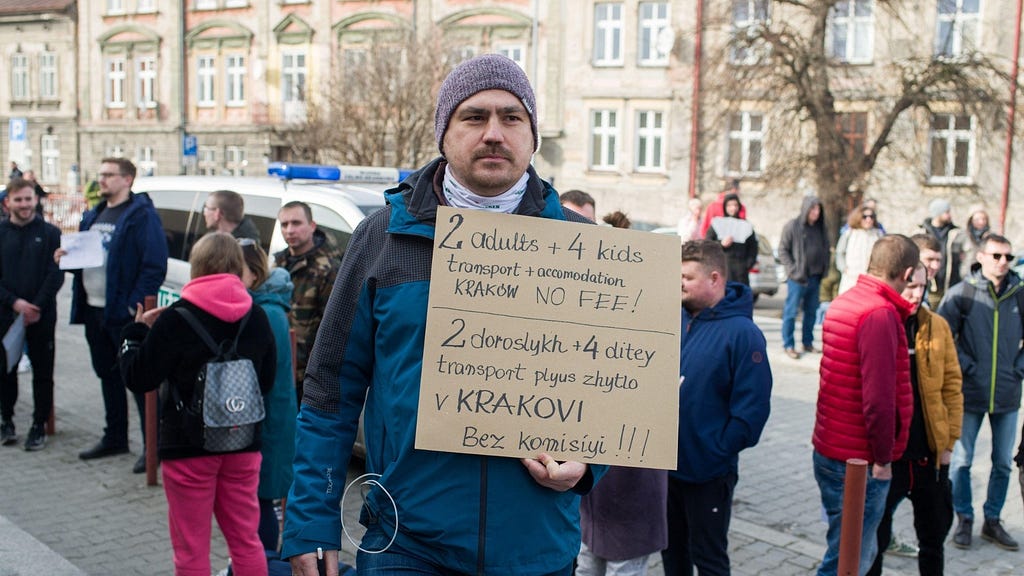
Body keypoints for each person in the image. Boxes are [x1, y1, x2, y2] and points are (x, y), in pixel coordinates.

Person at [282, 53, 606, 576]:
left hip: (536, 546)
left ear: (532, 134)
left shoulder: (582, 245)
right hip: (407, 546)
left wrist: (590, 464)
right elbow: (329, 390)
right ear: (445, 133)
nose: (494, 133)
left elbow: (613, 392)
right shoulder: (383, 237)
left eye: (511, 117)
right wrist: (309, 520)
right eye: (474, 117)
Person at [118, 232, 275, 576]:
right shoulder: (258, 316)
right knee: (246, 541)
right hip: (243, 443)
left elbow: (139, 377)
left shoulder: (177, 318)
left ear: (196, 267)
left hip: (187, 446)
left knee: (191, 547)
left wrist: (135, 334)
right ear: (238, 266)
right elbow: (266, 383)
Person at [663, 239, 772, 575]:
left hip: (709, 474)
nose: (679, 283)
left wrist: (717, 451)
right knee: (672, 554)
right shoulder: (674, 319)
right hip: (666, 471)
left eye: (687, 277)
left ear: (714, 279)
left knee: (709, 557)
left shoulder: (744, 334)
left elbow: (752, 411)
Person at [813, 234, 920, 576]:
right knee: (849, 559)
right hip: (858, 460)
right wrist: (884, 459)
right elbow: (878, 400)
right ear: (906, 274)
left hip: (831, 448)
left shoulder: (846, 301)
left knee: (846, 546)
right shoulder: (878, 314)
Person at [57, 158, 168, 472]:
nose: (101, 180)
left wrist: (133, 306)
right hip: (94, 308)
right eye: (100, 174)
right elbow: (85, 255)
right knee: (107, 374)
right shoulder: (95, 214)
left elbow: (153, 265)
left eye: (108, 175)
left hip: (125, 313)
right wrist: (65, 256)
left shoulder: (141, 216)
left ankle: (153, 447)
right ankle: (115, 436)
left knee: (137, 380)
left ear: (127, 179)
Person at [866, 263, 963, 576]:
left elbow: (952, 386)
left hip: (927, 456)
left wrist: (948, 444)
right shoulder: (879, 321)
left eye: (923, 287)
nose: (917, 293)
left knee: (933, 540)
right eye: (911, 286)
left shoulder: (937, 326)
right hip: (887, 459)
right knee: (874, 542)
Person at [937, 233, 1023, 552]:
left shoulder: (1019, 293)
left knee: (1002, 462)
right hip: (969, 392)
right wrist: (967, 367)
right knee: (962, 461)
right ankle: (964, 518)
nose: (1002, 263)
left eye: (1008, 257)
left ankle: (993, 520)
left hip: (1007, 394)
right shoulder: (962, 294)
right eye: (997, 256)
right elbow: (944, 339)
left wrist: (1018, 369)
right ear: (981, 256)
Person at [239, 239, 296, 555]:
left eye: (239, 270)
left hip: (270, 421)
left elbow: (263, 375)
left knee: (262, 499)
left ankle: (264, 564)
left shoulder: (268, 311)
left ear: (255, 270)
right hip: (266, 417)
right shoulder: (261, 304)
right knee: (257, 499)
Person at [0, 179, 64, 450]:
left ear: (36, 200)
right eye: (19, 200)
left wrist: (35, 305)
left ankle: (39, 425)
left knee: (43, 371)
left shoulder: (51, 233)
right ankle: (7, 421)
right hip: (5, 315)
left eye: (28, 199)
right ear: (7, 203)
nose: (24, 205)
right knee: (6, 370)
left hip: (42, 314)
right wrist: (15, 304)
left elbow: (56, 273)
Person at [273, 201, 340, 402]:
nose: (290, 230)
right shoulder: (278, 264)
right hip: (280, 365)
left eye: (296, 223)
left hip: (309, 374)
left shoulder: (328, 269)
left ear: (312, 226)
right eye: (284, 225)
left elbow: (332, 327)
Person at [777, 195, 829, 359]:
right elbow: (783, 250)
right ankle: (788, 344)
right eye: (813, 209)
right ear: (806, 209)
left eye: (818, 209)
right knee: (791, 312)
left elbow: (826, 249)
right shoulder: (793, 226)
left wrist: (824, 268)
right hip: (797, 279)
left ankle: (807, 342)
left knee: (811, 312)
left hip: (815, 277)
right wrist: (793, 270)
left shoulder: (821, 229)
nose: (816, 212)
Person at [918, 199, 967, 309]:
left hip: (950, 284)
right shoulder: (922, 232)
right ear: (938, 213)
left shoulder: (956, 233)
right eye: (947, 212)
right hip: (929, 285)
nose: (949, 215)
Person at [705, 193, 758, 287]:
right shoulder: (717, 223)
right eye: (729, 205)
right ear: (725, 207)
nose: (733, 208)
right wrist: (720, 244)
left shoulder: (746, 225)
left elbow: (753, 247)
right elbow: (707, 243)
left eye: (735, 205)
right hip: (722, 267)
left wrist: (747, 264)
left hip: (740, 271)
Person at [835, 204, 884, 294]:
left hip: (870, 278)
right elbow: (839, 252)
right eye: (865, 217)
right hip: (851, 277)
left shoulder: (878, 234)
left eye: (871, 217)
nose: (868, 219)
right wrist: (843, 268)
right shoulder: (849, 233)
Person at [962, 205, 990, 274]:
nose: (981, 222)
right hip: (966, 273)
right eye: (977, 219)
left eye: (983, 219)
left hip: (984, 273)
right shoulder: (963, 236)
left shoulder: (990, 237)